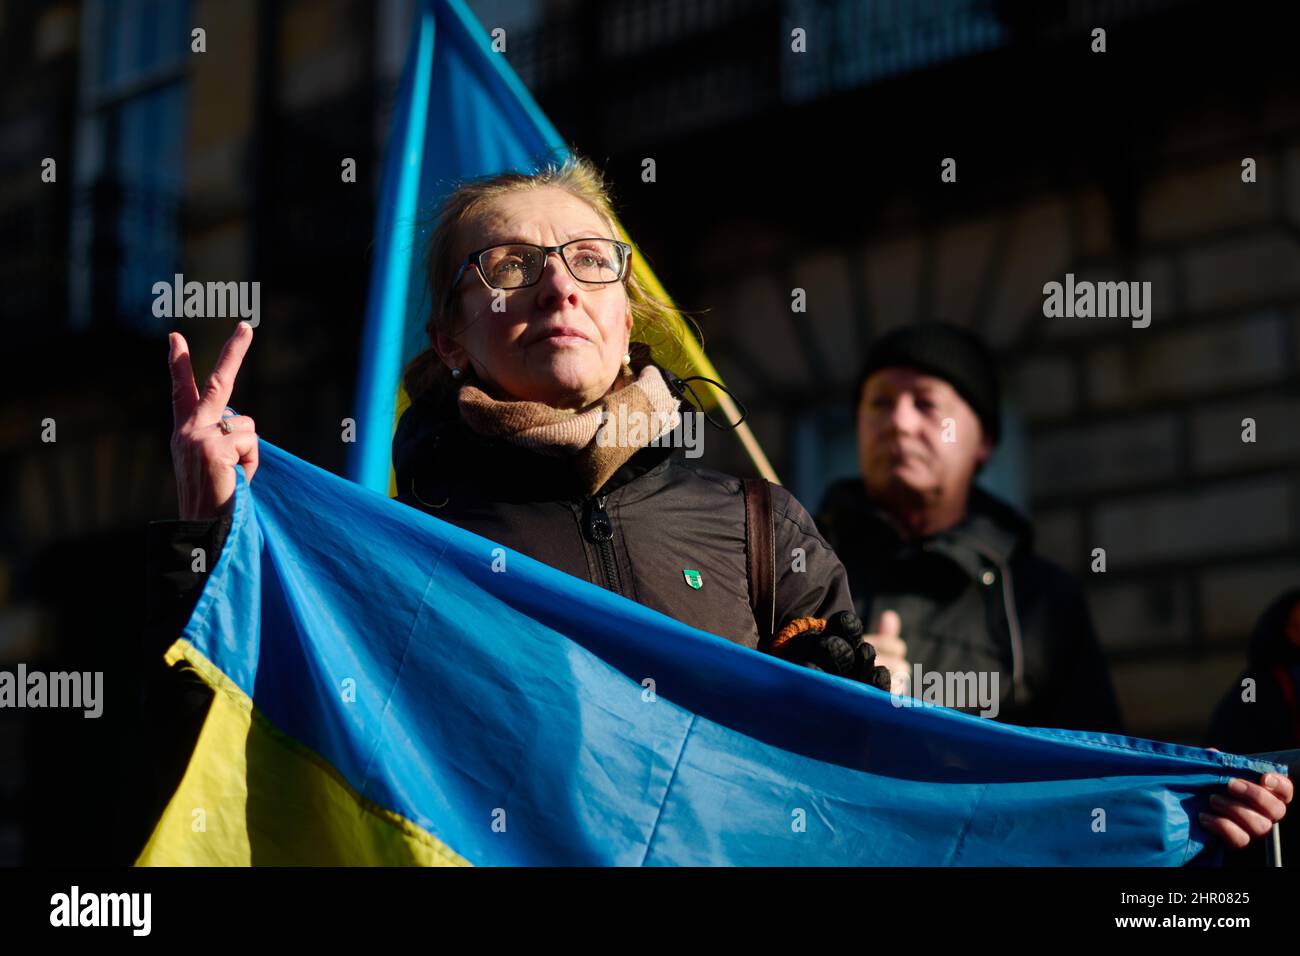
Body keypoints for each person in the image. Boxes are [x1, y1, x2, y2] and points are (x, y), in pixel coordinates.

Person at [153, 161, 1288, 856]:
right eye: (505, 265)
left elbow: (883, 788)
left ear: (627, 314)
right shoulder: (394, 548)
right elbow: (247, 766)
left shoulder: (757, 519)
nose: (556, 282)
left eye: (589, 260)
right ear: (448, 337)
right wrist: (216, 536)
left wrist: (1155, 804)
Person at [816, 323, 1123, 733]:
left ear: (984, 442)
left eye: (925, 404)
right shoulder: (799, 569)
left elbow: (1094, 773)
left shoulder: (1043, 599)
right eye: (879, 403)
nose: (898, 423)